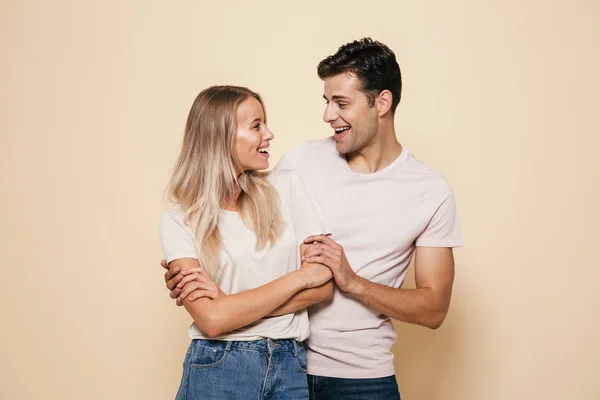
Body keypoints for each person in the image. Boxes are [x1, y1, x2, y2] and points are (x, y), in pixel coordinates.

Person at [163, 38, 462, 399]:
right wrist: (219, 302)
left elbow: (433, 309)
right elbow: (241, 237)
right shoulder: (299, 164)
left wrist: (353, 282)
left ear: (382, 102)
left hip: (363, 378)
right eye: (327, 101)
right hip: (289, 363)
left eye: (341, 103)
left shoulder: (429, 190)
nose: (327, 115)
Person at [159, 85, 335, 400]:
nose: (269, 134)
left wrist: (230, 304)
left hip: (289, 364)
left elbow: (323, 285)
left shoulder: (287, 188)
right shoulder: (179, 221)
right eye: (256, 126)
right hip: (219, 366)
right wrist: (299, 277)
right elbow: (212, 322)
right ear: (220, 137)